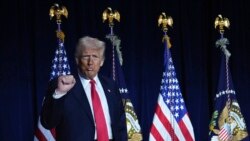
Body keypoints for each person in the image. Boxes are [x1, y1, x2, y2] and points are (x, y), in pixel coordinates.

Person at [41, 36, 127, 141]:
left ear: (102, 61)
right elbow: (47, 122)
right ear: (77, 60)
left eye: (95, 57)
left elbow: (121, 124)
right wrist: (59, 93)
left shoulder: (111, 86)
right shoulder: (62, 85)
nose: (90, 62)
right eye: (86, 56)